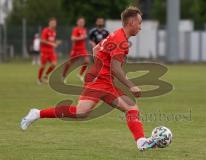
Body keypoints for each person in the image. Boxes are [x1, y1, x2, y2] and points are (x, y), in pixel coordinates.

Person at [21, 6, 157, 151]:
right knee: (84, 112)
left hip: (104, 81)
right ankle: (36, 113)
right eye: (139, 23)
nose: (140, 27)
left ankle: (141, 142)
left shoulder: (116, 35)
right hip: (99, 81)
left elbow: (96, 49)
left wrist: (100, 67)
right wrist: (131, 85)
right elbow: (115, 68)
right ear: (131, 22)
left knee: (129, 108)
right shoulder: (120, 40)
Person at [38, 17, 61, 84]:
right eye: (52, 23)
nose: (53, 24)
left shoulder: (54, 32)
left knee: (54, 64)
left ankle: (45, 76)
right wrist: (52, 44)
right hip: (44, 51)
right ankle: (39, 79)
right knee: (43, 66)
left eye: (54, 23)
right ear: (49, 23)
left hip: (51, 51)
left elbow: (51, 41)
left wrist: (56, 43)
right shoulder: (45, 30)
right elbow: (42, 40)